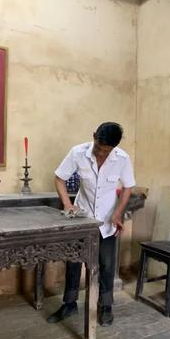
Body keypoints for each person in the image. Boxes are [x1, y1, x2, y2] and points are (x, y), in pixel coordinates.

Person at [47, 122, 135, 326]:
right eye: (98, 148)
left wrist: (118, 213)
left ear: (114, 147)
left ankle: (106, 306)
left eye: (106, 151)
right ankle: (69, 304)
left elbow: (128, 188)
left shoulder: (122, 159)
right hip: (82, 218)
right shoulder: (78, 153)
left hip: (107, 221)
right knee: (73, 262)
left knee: (106, 264)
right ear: (94, 136)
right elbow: (59, 178)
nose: (101, 153)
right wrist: (68, 204)